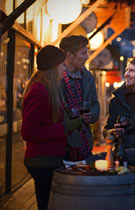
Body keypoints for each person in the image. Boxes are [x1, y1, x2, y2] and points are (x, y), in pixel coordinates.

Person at [21, 45, 83, 210]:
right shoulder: (39, 91)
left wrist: (70, 121)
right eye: (61, 64)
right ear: (53, 66)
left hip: (49, 158)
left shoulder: (48, 88)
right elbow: (28, 132)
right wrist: (64, 127)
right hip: (42, 160)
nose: (64, 68)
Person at [59, 35, 100, 162]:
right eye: (83, 53)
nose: (87, 57)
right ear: (69, 55)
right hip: (61, 142)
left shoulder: (87, 76)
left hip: (83, 141)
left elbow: (95, 105)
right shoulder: (56, 76)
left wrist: (91, 115)